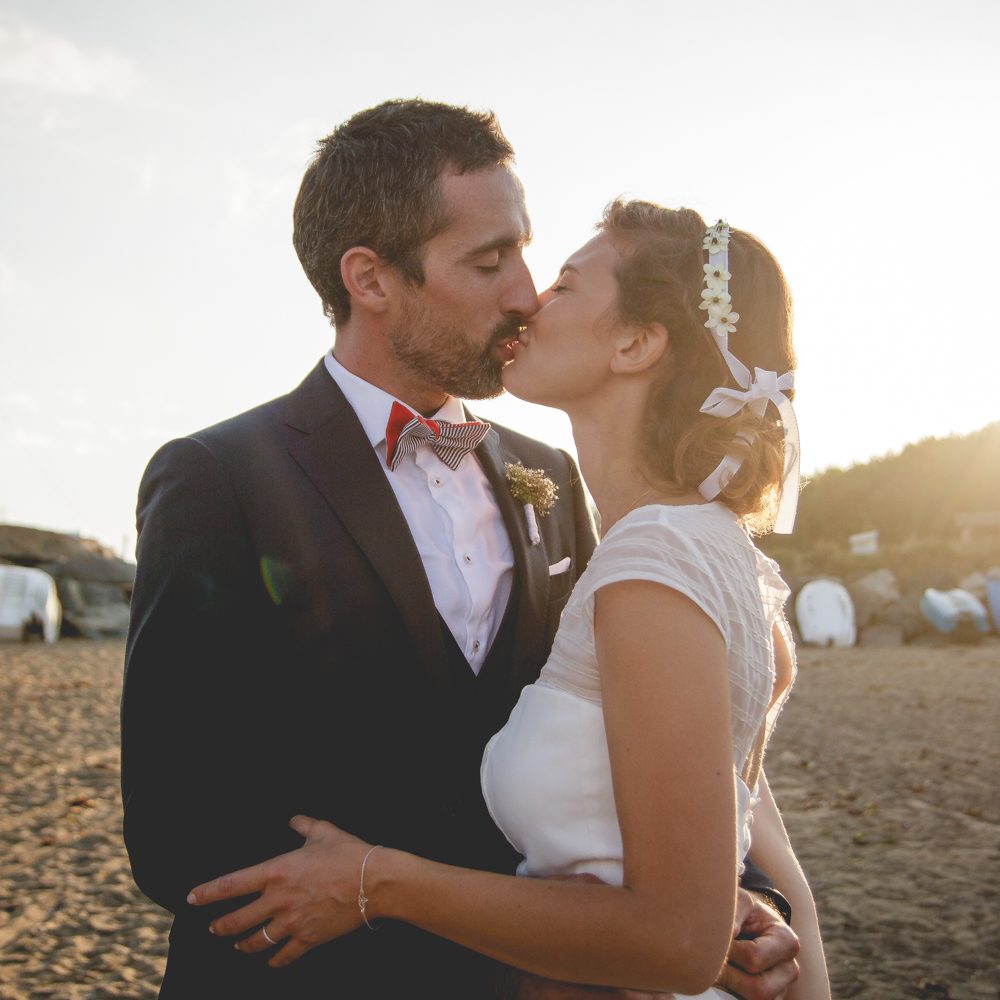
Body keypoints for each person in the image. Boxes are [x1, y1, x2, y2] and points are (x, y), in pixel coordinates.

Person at [122, 98, 802, 999]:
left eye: (528, 252)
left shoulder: (553, 477)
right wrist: (507, 958)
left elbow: (627, 739)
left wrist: (738, 904)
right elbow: (182, 833)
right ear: (370, 279)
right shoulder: (219, 478)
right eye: (490, 262)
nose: (525, 293)